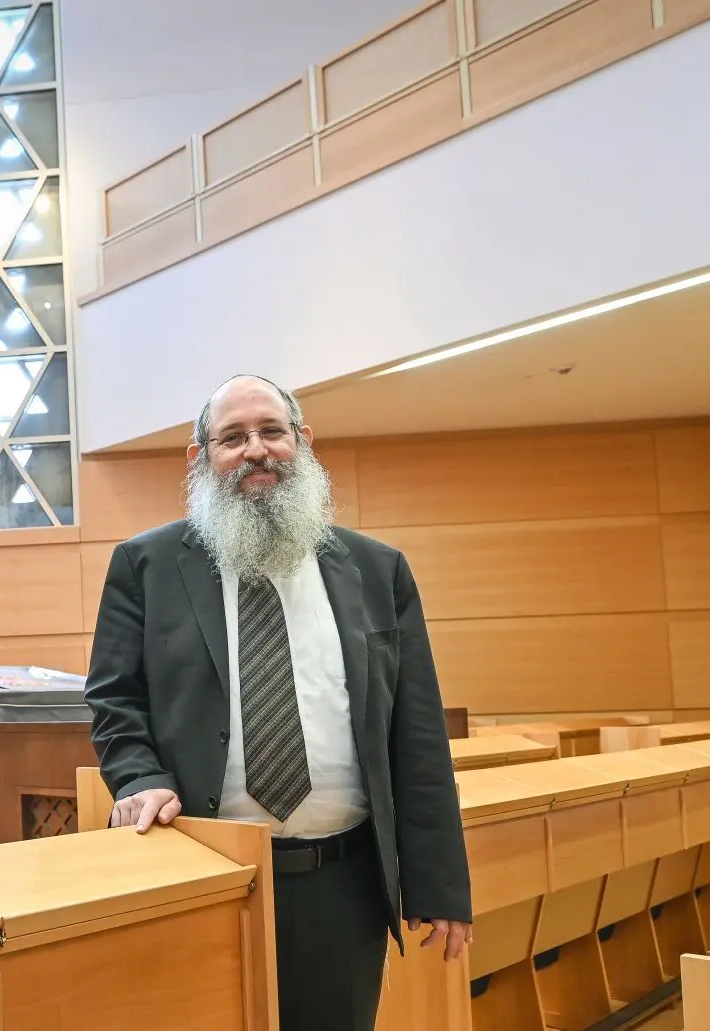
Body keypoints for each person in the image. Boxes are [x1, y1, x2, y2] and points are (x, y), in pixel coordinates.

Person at [83, 374, 471, 1031]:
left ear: (303, 442)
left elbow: (419, 733)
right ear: (201, 456)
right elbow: (114, 698)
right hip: (204, 872)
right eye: (232, 437)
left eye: (271, 431)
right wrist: (141, 777)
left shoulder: (378, 571)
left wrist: (438, 882)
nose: (255, 449)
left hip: (340, 883)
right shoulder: (145, 565)